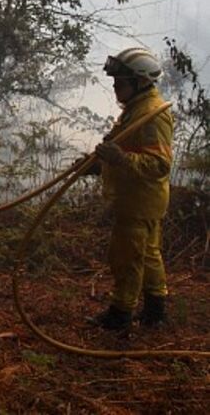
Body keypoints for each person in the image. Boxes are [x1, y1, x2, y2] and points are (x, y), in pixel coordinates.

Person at [87, 47, 173, 331]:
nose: (114, 86)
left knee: (127, 257)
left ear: (139, 81)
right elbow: (118, 144)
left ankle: (120, 314)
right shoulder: (135, 110)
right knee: (148, 254)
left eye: (120, 82)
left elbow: (159, 164)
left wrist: (120, 159)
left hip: (139, 201)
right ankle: (155, 310)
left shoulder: (152, 114)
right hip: (141, 200)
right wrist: (96, 163)